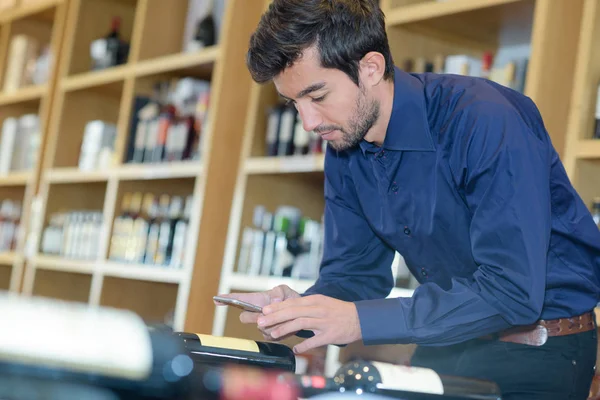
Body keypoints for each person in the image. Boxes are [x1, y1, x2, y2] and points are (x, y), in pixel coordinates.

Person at [215, 0, 600, 398]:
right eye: (294, 104)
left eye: (318, 96)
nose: (309, 123)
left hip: (540, 346)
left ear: (371, 68)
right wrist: (300, 311)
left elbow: (512, 291)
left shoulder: (483, 119)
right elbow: (354, 277)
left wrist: (360, 321)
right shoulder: (344, 147)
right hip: (447, 340)